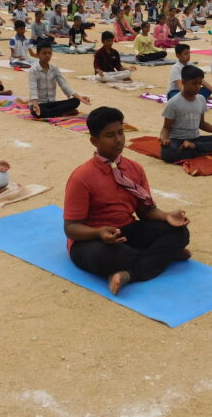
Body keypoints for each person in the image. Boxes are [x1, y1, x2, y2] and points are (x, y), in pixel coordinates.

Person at [65, 106, 190, 295]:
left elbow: (145, 212)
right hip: (93, 239)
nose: (118, 140)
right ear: (94, 141)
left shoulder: (134, 168)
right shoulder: (81, 177)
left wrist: (167, 216)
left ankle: (130, 273)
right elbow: (71, 228)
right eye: (109, 135)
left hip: (126, 231)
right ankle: (162, 255)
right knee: (109, 256)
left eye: (120, 132)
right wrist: (99, 233)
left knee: (180, 233)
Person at [159, 65, 212, 162]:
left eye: (200, 84)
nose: (198, 87)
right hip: (178, 141)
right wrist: (164, 140)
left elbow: (202, 124)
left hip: (196, 140)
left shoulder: (201, 99)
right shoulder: (173, 103)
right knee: (167, 153)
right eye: (194, 84)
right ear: (184, 82)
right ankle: (201, 151)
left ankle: (194, 147)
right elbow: (166, 127)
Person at [28, 42, 92, 118]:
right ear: (37, 55)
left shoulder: (54, 68)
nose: (47, 55)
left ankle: (56, 113)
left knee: (75, 101)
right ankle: (62, 112)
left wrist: (79, 97)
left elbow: (64, 85)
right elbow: (33, 89)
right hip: (40, 104)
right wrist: (35, 104)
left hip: (52, 103)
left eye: (49, 53)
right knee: (36, 111)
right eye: (44, 53)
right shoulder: (33, 70)